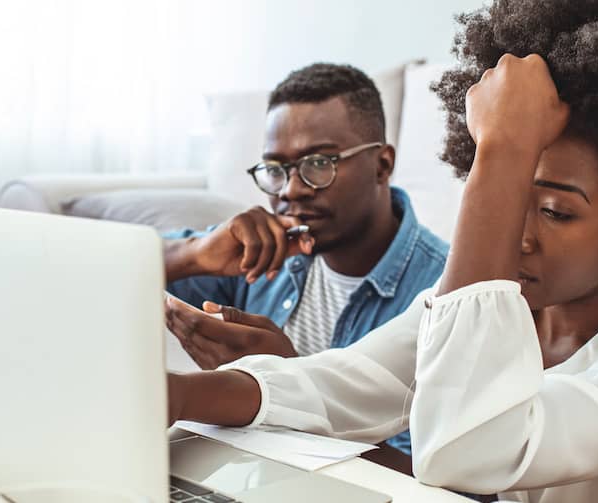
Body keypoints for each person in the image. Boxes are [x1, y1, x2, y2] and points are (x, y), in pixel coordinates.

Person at [162, 0, 598, 501]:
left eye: (554, 210)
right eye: (504, 194)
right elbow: (347, 384)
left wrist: (505, 150)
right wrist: (179, 397)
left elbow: (470, 450)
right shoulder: (513, 307)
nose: (515, 238)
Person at [162, 63, 450, 458]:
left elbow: (437, 479)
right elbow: (115, 267)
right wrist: (194, 254)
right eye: (276, 170)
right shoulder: (261, 251)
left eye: (319, 164)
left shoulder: (444, 290)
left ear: (382, 165)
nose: (292, 190)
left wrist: (287, 385)